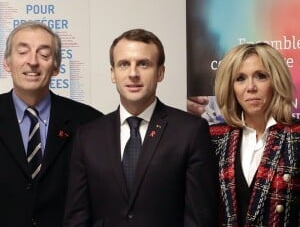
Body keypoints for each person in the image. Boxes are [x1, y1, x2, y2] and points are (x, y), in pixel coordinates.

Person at [63, 28, 219, 227]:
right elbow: (76, 217)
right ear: (113, 74)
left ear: (160, 72)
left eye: (143, 64)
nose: (133, 73)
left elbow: (200, 217)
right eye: (124, 64)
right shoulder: (87, 136)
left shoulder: (190, 131)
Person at [0, 21, 103, 227]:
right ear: (7, 63)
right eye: (22, 52)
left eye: (44, 55)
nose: (33, 61)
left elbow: (101, 198)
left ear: (56, 67)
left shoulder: (90, 122)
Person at [210, 42, 300, 226]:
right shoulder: (213, 137)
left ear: (276, 81)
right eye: (240, 78)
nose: (250, 87)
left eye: (260, 76)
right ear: (231, 86)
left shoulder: (296, 136)